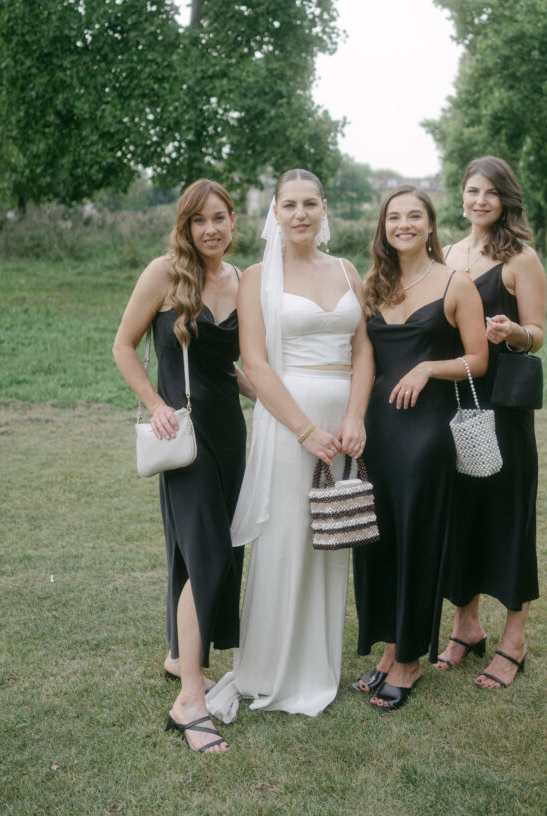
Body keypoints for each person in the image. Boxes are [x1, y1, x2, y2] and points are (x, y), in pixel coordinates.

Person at [206, 168, 373, 722]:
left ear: (325, 209)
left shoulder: (349, 270)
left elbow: (363, 350)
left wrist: (354, 416)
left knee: (330, 535)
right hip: (288, 421)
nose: (300, 213)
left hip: (342, 423)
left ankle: (317, 667)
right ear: (273, 213)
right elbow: (252, 362)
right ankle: (270, 667)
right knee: (286, 538)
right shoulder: (258, 277)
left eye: (310, 203)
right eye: (289, 205)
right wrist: (305, 429)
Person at [113, 179, 253, 754]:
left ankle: (179, 656)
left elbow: (234, 368)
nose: (212, 229)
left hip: (230, 434)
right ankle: (190, 701)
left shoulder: (241, 281)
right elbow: (123, 345)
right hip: (185, 437)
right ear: (185, 226)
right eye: (200, 221)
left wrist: (285, 410)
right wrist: (155, 404)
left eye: (220, 218)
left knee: (216, 550)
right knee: (207, 555)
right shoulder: (165, 273)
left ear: (234, 222)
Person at [351, 185, 488, 711]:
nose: (403, 224)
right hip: (377, 430)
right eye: (393, 217)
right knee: (377, 541)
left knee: (417, 540)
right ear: (383, 227)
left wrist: (430, 367)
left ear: (430, 225)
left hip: (427, 433)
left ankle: (409, 661)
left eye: (414, 216)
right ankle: (387, 652)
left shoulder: (458, 284)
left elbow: (478, 360)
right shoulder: (371, 285)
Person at [433, 156, 546, 688]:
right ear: (462, 196)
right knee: (461, 513)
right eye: (472, 190)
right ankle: (466, 625)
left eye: (491, 193)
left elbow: (539, 332)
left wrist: (514, 332)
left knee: (508, 513)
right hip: (453, 398)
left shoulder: (521, 258)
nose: (480, 200)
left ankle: (515, 636)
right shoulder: (446, 255)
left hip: (504, 402)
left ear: (506, 200)